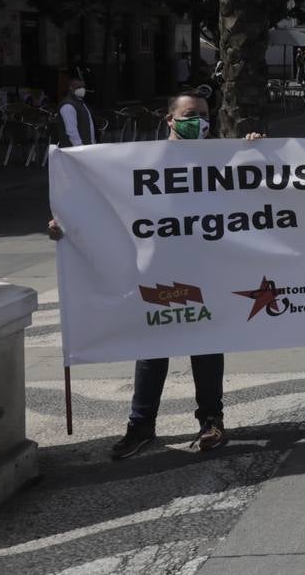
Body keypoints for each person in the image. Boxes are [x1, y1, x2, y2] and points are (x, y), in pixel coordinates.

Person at [48, 91, 263, 459]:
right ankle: (141, 425)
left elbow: (257, 187)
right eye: (190, 114)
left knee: (207, 347)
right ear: (170, 119)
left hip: (204, 270)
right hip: (156, 273)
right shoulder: (137, 162)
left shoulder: (219, 157)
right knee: (151, 350)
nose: (199, 121)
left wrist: (259, 150)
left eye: (204, 115)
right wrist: (65, 224)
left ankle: (211, 420)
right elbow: (103, 204)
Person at [58, 78, 95, 148]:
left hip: (86, 148)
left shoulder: (80, 102)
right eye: (79, 87)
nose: (82, 89)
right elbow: (71, 131)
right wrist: (79, 147)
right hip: (75, 150)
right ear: (71, 88)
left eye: (84, 87)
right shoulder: (68, 105)